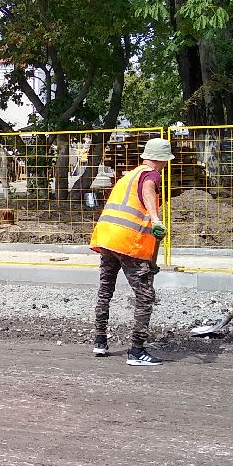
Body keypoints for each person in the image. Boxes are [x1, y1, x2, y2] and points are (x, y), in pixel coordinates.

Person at [90, 136, 173, 366]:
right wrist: (156, 219)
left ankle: (99, 342)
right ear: (161, 160)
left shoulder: (130, 174)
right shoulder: (151, 175)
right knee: (146, 297)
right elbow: (148, 189)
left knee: (105, 290)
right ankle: (137, 351)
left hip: (108, 238)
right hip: (128, 243)